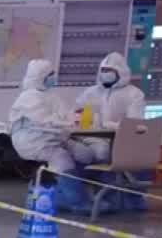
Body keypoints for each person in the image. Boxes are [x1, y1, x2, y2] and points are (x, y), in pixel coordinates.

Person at [10, 58, 105, 202]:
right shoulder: (28, 97)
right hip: (36, 142)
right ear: (41, 76)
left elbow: (65, 115)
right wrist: (67, 123)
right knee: (62, 159)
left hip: (56, 138)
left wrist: (75, 118)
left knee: (85, 154)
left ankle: (82, 192)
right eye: (50, 74)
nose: (53, 77)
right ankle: (75, 201)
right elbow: (44, 120)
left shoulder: (51, 95)